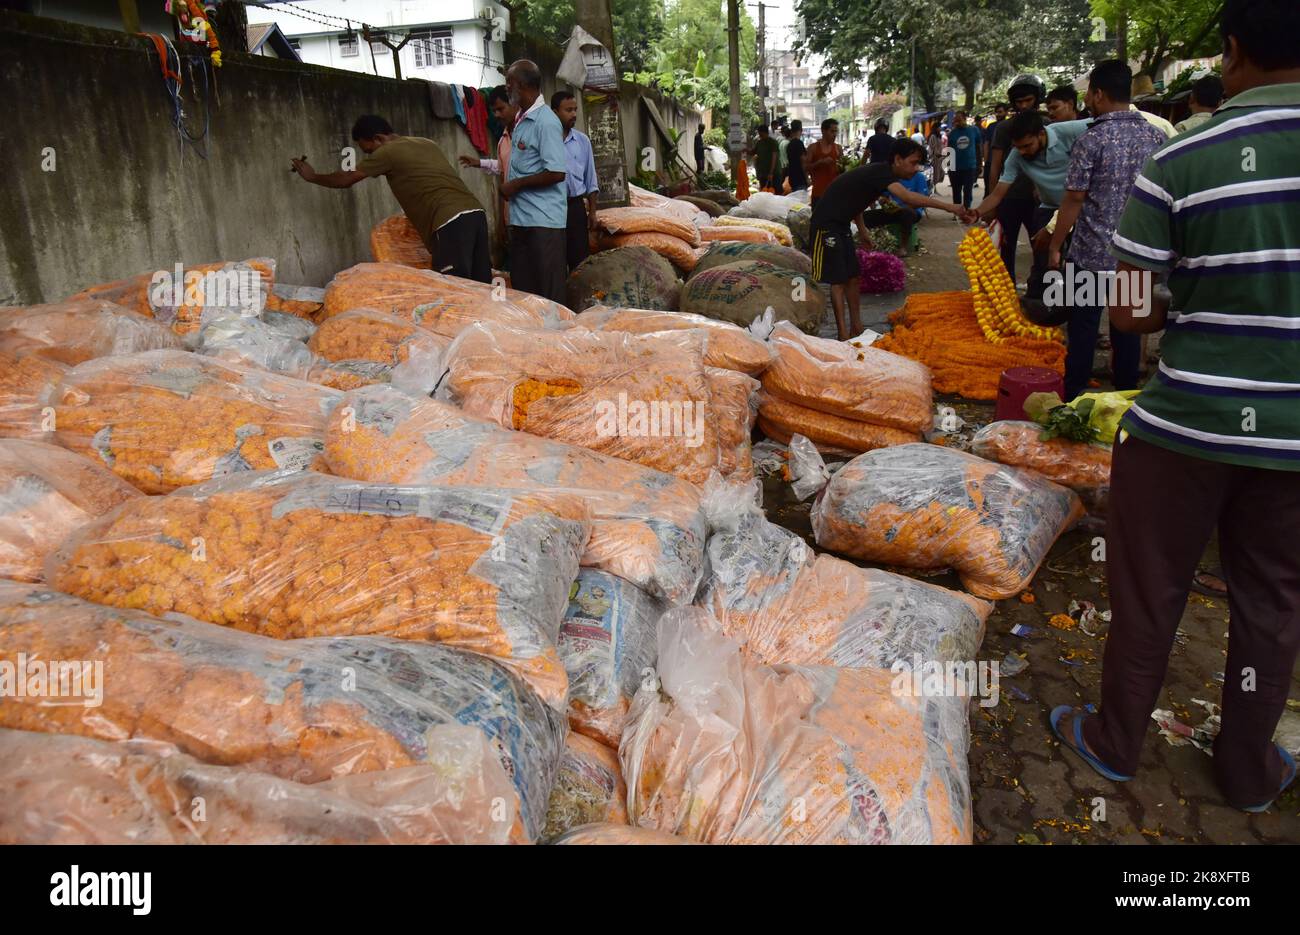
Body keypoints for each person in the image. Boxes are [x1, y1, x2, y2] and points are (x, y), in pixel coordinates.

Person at [1051, 0, 1300, 813]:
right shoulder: (1164, 138)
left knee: (1151, 585)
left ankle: (1117, 740)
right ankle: (1244, 767)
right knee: (1270, 601)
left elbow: (1126, 310)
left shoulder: (1189, 150)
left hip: (1187, 425)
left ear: (1232, 50)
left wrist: (1195, 295)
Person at [1046, 59, 1168, 401]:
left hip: (1089, 254)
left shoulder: (1092, 140)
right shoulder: (1155, 136)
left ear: (1099, 94)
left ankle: (1075, 399)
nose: (1087, 101)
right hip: (1136, 256)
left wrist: (1056, 245)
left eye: (1088, 95)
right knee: (1127, 330)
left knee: (1083, 328)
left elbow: (1073, 199)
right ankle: (1126, 400)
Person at [810, 139, 975, 340]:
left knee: (853, 276)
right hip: (825, 225)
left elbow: (856, 201)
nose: (916, 169)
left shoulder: (879, 176)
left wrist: (862, 230)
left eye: (919, 164)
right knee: (838, 280)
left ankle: (856, 327)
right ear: (897, 159)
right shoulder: (882, 173)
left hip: (842, 225)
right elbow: (908, 198)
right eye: (913, 163)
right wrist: (950, 207)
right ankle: (843, 335)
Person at [292, 115, 490, 282]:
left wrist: (313, 176)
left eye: (369, 151)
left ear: (378, 138)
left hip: (448, 220)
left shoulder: (387, 151)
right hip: (475, 213)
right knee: (481, 287)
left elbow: (346, 178)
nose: (369, 156)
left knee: (454, 289)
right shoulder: (426, 143)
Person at [973, 109, 1090, 307]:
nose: (1023, 152)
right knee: (1043, 259)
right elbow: (998, 194)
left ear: (1041, 134)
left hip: (1081, 208)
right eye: (1018, 147)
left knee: (1080, 263)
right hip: (1049, 208)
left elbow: (1104, 121)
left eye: (1028, 145)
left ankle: (1078, 313)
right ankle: (1039, 307)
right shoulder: (1017, 156)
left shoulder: (1070, 131)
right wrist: (976, 212)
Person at [501, 59, 569, 303]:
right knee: (525, 290)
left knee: (547, 292)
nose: (506, 87)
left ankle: (556, 338)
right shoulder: (521, 118)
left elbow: (556, 173)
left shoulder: (546, 122)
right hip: (523, 220)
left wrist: (515, 185)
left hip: (544, 222)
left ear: (521, 85)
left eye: (509, 82)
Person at [986, 75, 1046, 279]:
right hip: (1009, 196)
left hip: (1040, 200)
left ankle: (1039, 291)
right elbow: (994, 166)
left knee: (1041, 246)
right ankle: (1006, 291)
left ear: (1037, 99)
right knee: (1006, 247)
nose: (1024, 106)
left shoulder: (1047, 125)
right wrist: (991, 201)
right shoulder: (1004, 128)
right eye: (1019, 102)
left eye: (1028, 100)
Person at [460, 86, 517, 239]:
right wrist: (479, 163)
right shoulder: (503, 140)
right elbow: (502, 167)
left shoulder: (529, 132)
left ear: (514, 104)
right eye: (494, 111)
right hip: (512, 216)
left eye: (501, 109)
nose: (497, 115)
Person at [551, 90, 599, 273]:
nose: (574, 114)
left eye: (575, 109)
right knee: (556, 260)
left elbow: (590, 179)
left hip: (576, 208)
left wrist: (592, 212)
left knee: (579, 261)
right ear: (555, 112)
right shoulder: (548, 141)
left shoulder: (582, 141)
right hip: (553, 207)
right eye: (568, 110)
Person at [946, 110, 982, 212]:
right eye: (955, 120)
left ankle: (966, 210)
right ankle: (957, 211)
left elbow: (978, 147)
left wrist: (979, 164)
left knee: (968, 190)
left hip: (970, 166)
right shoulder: (952, 133)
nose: (956, 122)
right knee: (956, 190)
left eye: (959, 119)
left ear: (965, 119)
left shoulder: (974, 130)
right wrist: (949, 167)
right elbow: (949, 151)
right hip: (955, 167)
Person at [804, 118, 842, 206]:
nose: (835, 134)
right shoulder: (813, 148)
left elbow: (842, 168)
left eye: (836, 131)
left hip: (835, 192)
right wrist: (819, 163)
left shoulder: (838, 148)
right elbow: (805, 167)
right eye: (832, 131)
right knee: (818, 219)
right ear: (823, 131)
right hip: (818, 193)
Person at [981, 102, 1009, 191]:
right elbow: (986, 144)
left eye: (1000, 112)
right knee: (989, 189)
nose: (998, 114)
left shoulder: (1009, 125)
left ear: (1006, 112)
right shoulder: (991, 126)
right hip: (990, 162)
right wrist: (986, 161)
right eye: (996, 112)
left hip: (1005, 163)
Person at [752, 124, 780, 192]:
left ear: (765, 132)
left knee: (775, 192)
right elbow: (753, 152)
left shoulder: (772, 142)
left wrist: (771, 172)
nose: (760, 136)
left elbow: (774, 158)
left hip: (774, 173)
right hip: (763, 173)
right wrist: (746, 150)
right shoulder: (759, 142)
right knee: (764, 191)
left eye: (761, 134)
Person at [784, 120, 808, 192]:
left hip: (792, 177)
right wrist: (807, 178)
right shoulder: (799, 143)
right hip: (800, 178)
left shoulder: (789, 144)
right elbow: (803, 161)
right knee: (801, 201)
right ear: (801, 130)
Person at [927, 123, 945, 187]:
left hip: (939, 157)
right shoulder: (933, 136)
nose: (940, 128)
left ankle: (935, 187)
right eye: (939, 127)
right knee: (935, 173)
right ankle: (934, 188)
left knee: (940, 173)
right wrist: (938, 154)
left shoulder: (938, 136)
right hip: (935, 157)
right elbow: (933, 147)